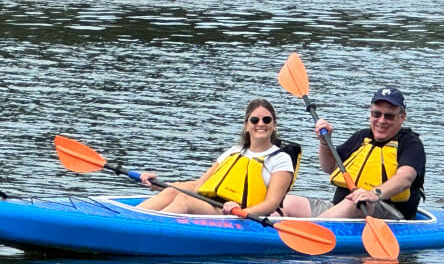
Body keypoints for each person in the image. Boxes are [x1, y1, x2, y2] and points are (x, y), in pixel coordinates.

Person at [136, 98, 301, 217]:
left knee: (184, 201)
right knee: (173, 192)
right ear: (246, 125)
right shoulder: (234, 151)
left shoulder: (280, 159)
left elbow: (271, 203)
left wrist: (243, 211)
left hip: (241, 214)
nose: (261, 124)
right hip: (215, 205)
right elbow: (198, 185)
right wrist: (159, 185)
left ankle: (144, 229)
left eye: (266, 119)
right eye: (254, 120)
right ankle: (133, 217)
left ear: (274, 125)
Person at [283, 87, 425, 220]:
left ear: (402, 117)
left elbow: (405, 178)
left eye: (389, 116)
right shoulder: (362, 137)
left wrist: (373, 194)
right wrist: (324, 142)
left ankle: (312, 231)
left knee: (356, 200)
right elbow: (330, 166)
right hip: (340, 208)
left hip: (387, 213)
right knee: (286, 202)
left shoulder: (410, 143)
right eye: (376, 114)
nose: (381, 121)